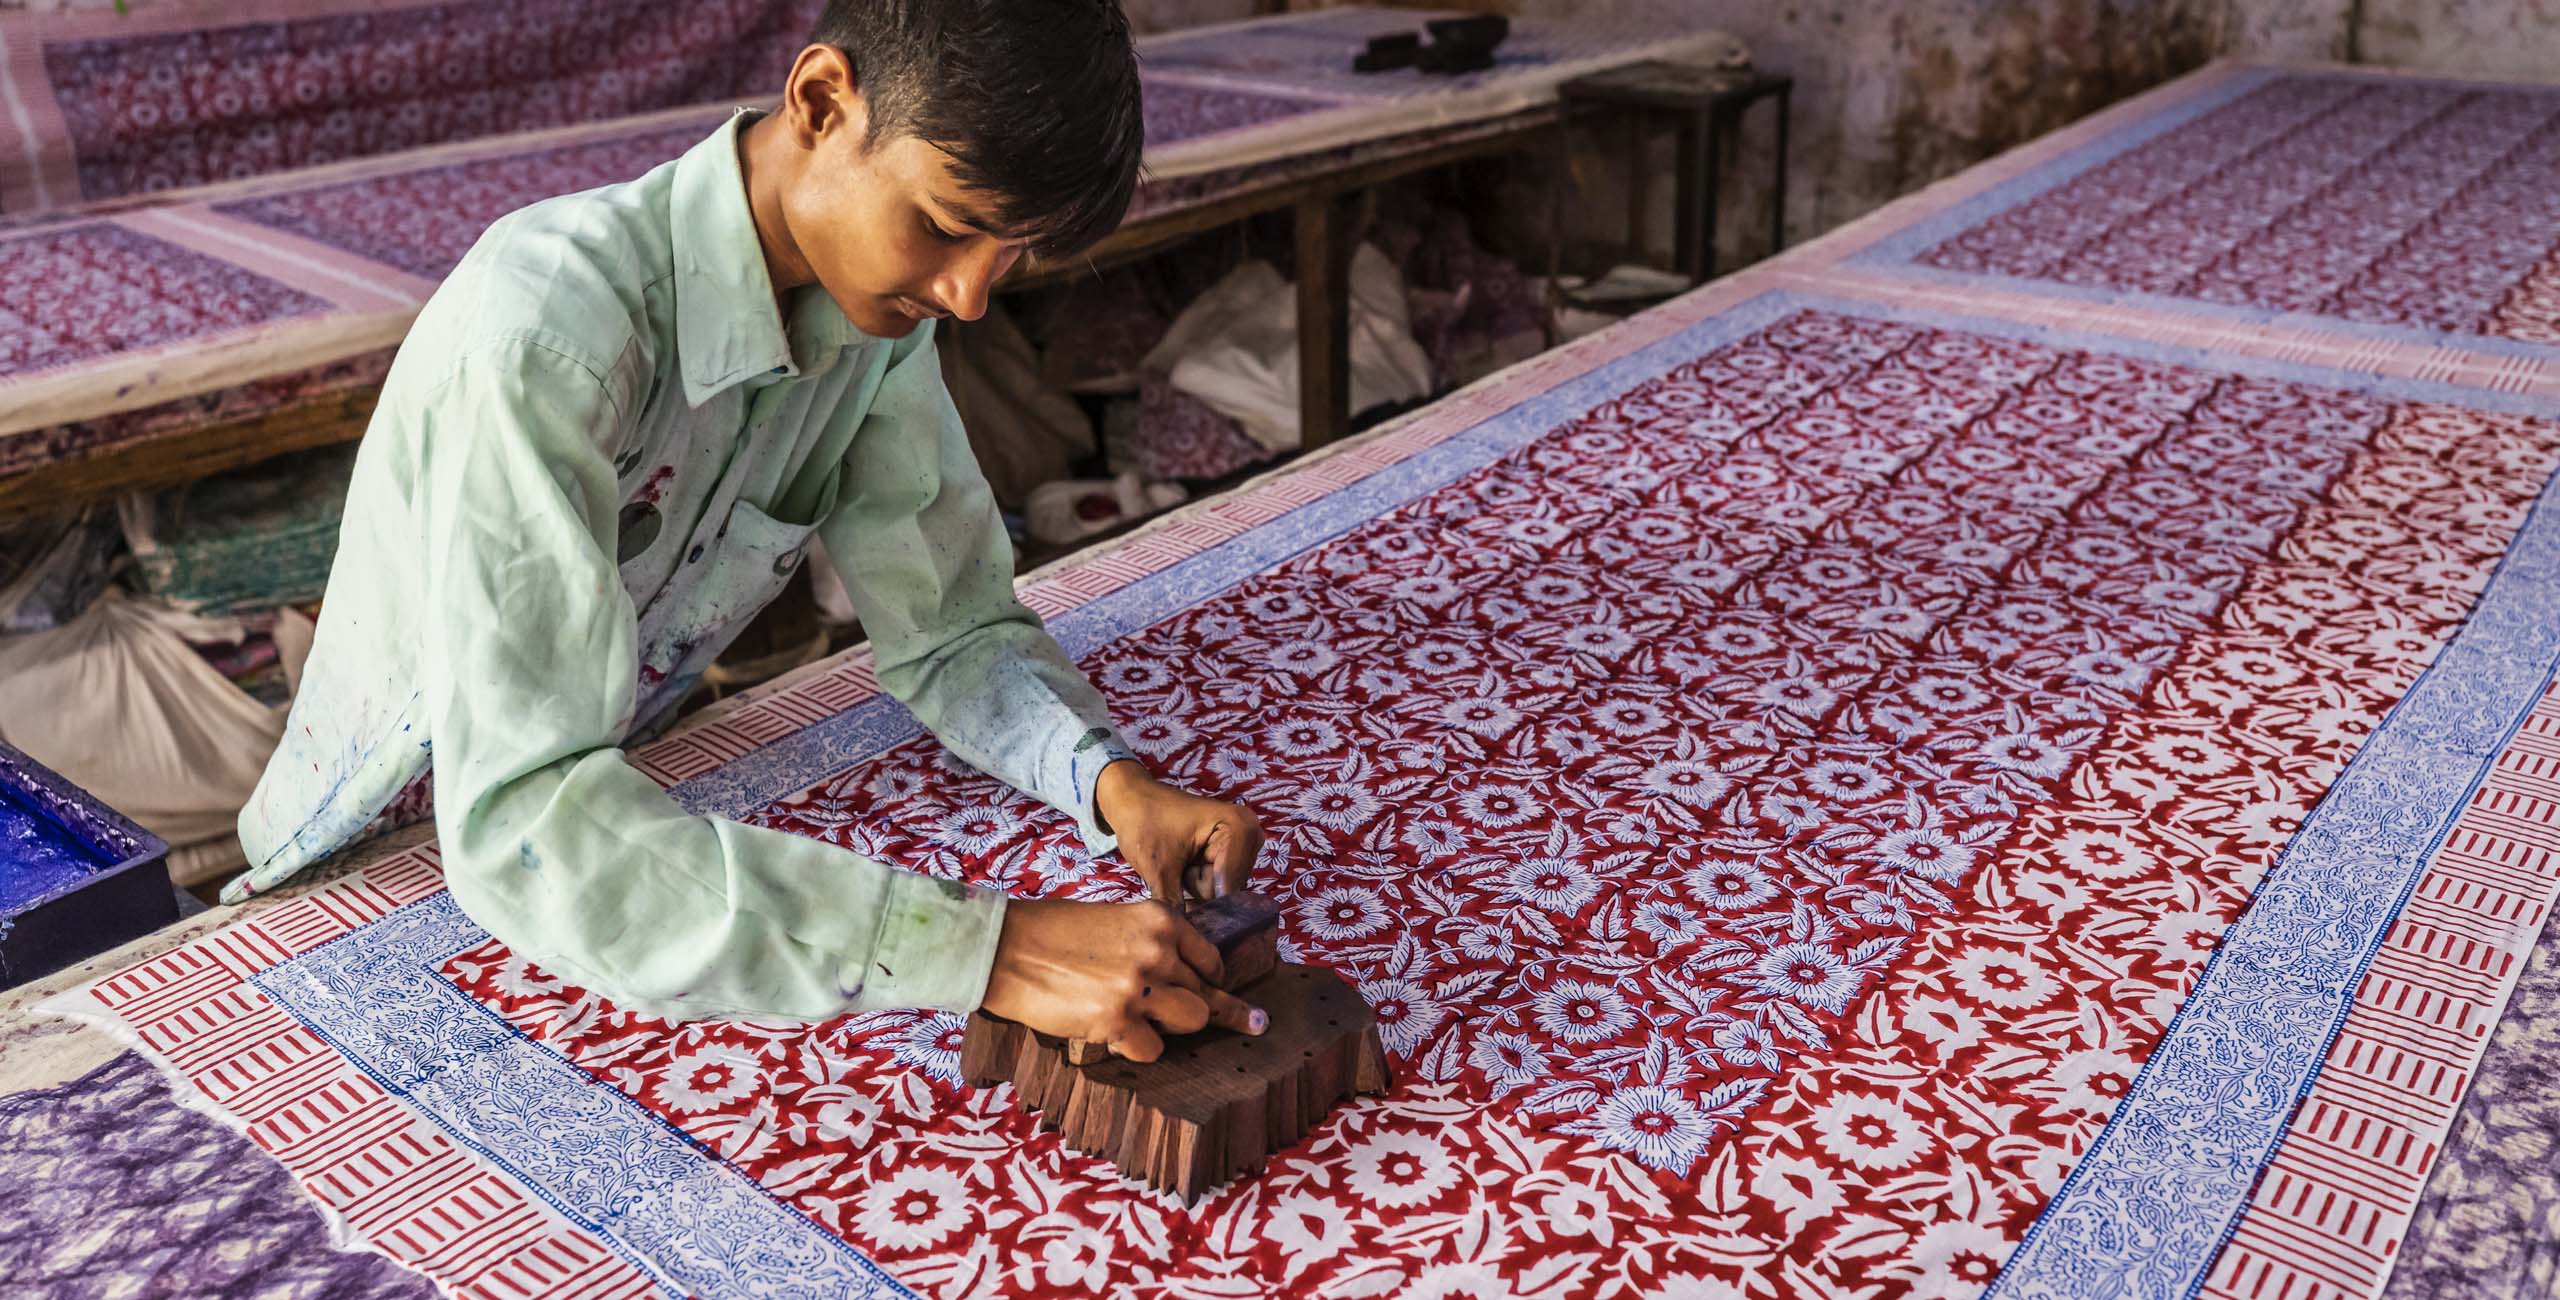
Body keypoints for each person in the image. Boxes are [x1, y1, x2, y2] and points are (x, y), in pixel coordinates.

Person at [230, 0, 1270, 1062]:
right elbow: (522, 824)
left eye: (1006, 257)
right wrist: (993, 949)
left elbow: (950, 629)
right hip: (388, 866)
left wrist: (1108, 781)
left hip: (618, 822)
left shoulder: (871, 325)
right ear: (822, 103)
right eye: (950, 224)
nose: (966, 298)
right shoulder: (543, 337)